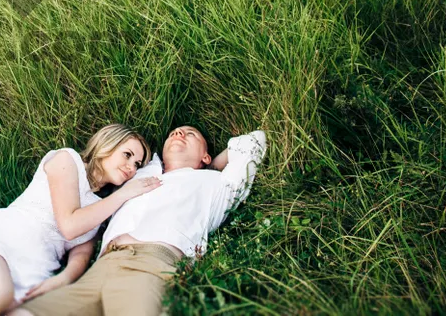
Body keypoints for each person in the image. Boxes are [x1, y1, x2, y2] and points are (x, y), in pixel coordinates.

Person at [14, 126, 267, 316]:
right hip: (100, 269)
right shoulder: (136, 173)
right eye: (175, 133)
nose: (179, 133)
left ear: (206, 156)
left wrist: (208, 169)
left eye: (190, 134)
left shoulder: (215, 186)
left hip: (151, 265)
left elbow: (253, 142)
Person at [0, 125, 162, 316]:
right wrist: (122, 195)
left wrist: (64, 278)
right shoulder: (67, 160)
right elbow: (69, 225)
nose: (132, 168)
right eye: (127, 155)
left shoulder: (101, 209)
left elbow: (82, 254)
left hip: (35, 268)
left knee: (15, 309)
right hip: (0, 238)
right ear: (107, 144)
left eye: (137, 164)